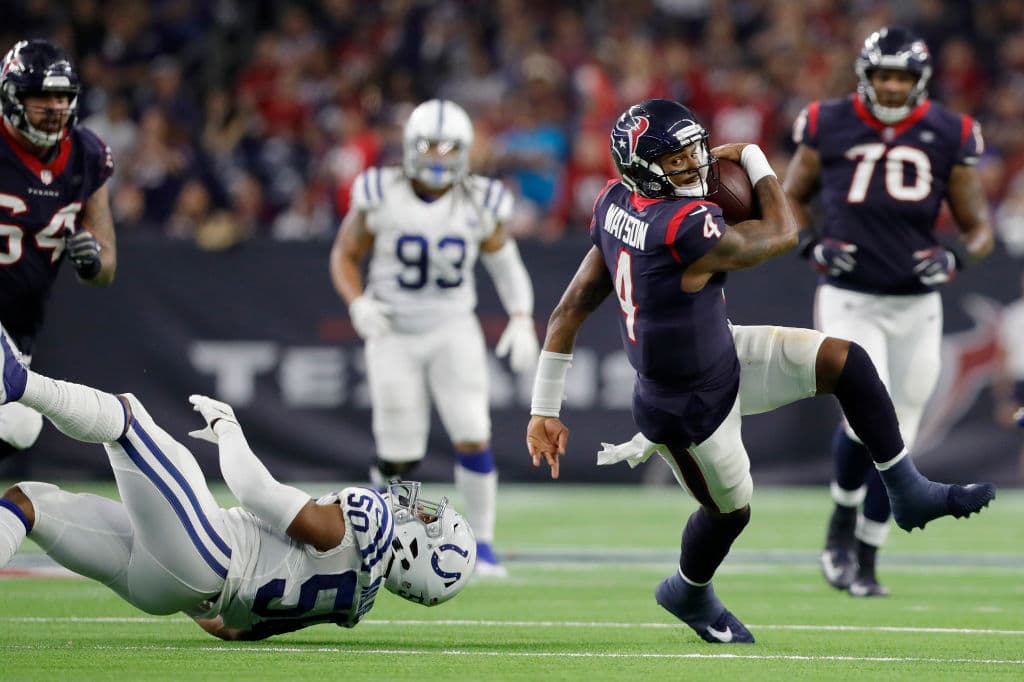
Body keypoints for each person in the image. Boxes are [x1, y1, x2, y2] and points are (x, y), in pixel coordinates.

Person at [525, 98, 995, 645]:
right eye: (676, 160)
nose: (696, 165)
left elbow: (571, 307)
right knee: (731, 513)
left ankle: (906, 489)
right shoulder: (679, 226)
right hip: (686, 409)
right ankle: (687, 590)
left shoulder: (613, 202)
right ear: (641, 169)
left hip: (723, 354)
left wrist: (543, 407)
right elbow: (781, 234)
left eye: (694, 150)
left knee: (847, 362)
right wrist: (754, 158)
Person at [0, 325, 477, 640]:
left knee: (126, 416)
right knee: (26, 503)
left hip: (210, 551)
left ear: (418, 552)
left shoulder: (368, 520)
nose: (417, 510)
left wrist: (228, 428)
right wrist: (183, 591)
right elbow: (235, 630)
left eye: (427, 521)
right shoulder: (354, 604)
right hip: (170, 592)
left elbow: (256, 493)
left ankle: (16, 383)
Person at [782, 27, 995, 597]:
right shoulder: (828, 122)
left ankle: (869, 555)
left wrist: (951, 257)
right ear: (866, 76)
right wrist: (812, 244)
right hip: (850, 295)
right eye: (884, 76)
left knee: (901, 436)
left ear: (920, 80)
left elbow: (979, 231)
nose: (893, 86)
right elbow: (789, 198)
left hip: (916, 304)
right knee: (864, 416)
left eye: (903, 76)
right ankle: (839, 528)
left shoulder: (949, 132)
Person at [330, 98, 539, 578]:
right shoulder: (380, 192)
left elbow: (506, 266)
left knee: (472, 431)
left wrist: (522, 316)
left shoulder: (479, 201)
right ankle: (379, 543)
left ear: (465, 151)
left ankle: (483, 547)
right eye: (429, 147)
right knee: (399, 451)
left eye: (449, 149)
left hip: (452, 328)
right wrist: (357, 302)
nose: (439, 158)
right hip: (394, 331)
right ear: (409, 148)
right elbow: (344, 255)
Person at [0, 39, 117, 454]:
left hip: (19, 330)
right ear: (12, 97)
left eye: (61, 96)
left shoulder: (86, 155)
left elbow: (107, 269)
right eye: (40, 96)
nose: (53, 107)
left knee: (21, 427)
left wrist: (91, 262)